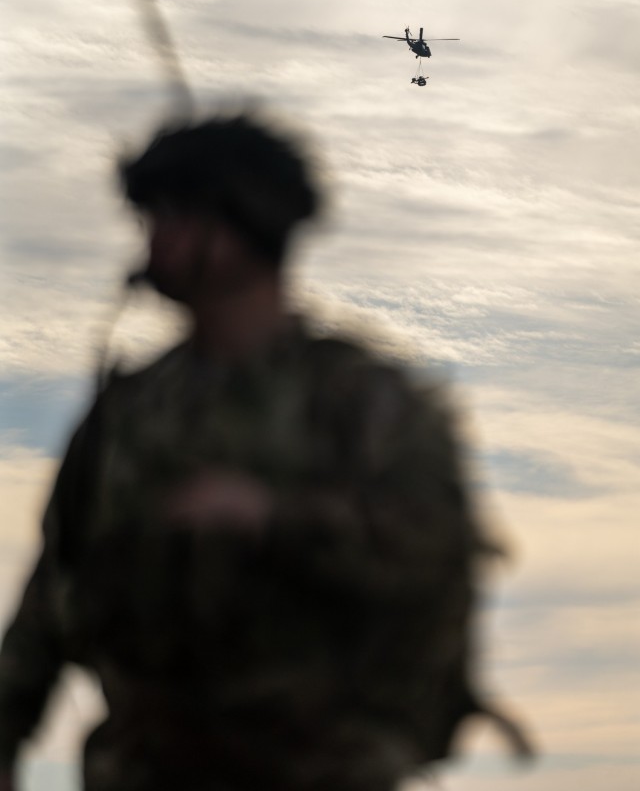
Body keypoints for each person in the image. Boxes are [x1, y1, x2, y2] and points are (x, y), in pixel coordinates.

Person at [0, 112, 529, 791]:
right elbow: (56, 584)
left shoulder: (365, 403)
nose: (151, 239)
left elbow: (437, 553)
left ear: (238, 230)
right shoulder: (129, 412)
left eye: (173, 215)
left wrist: (274, 517)